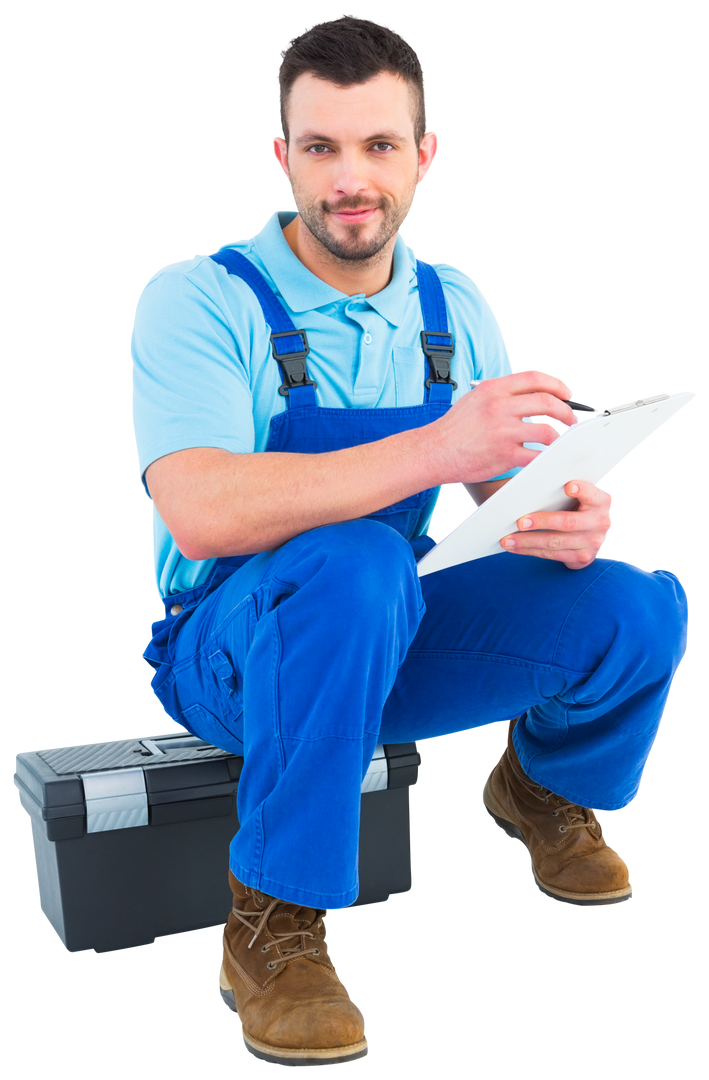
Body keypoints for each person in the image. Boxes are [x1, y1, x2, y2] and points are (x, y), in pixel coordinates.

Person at [129, 14, 690, 1070]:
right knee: (354, 560)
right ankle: (272, 926)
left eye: (379, 146)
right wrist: (436, 445)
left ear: (423, 156)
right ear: (281, 156)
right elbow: (200, 507)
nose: (351, 179)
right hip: (228, 653)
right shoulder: (197, 297)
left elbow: (492, 497)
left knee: (637, 603)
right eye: (322, 147)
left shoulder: (455, 302)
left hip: (392, 627)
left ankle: (542, 788)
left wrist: (559, 517)